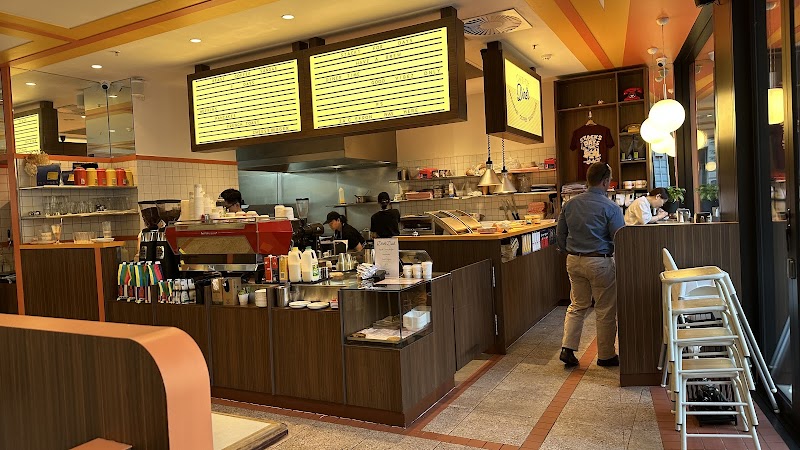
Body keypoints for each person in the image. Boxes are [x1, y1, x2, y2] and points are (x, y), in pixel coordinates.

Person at [556, 162, 625, 367]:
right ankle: (606, 355)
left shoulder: (570, 204)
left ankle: (567, 349)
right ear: (605, 182)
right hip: (599, 261)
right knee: (604, 309)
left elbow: (560, 235)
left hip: (574, 260)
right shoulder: (611, 207)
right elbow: (620, 238)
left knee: (577, 305)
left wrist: (569, 250)